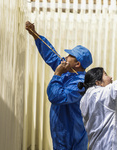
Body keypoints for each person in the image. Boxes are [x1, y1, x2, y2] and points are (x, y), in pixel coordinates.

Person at [25, 21, 93, 150]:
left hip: (71, 138)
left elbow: (56, 97)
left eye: (69, 56)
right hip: (61, 134)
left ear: (77, 64)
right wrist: (35, 35)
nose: (65, 58)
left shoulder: (81, 83)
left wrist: (57, 73)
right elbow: (51, 55)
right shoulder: (69, 72)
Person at [78, 41, 117, 150]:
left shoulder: (87, 98)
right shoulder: (100, 95)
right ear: (98, 83)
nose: (111, 77)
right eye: (106, 74)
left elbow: (106, 119)